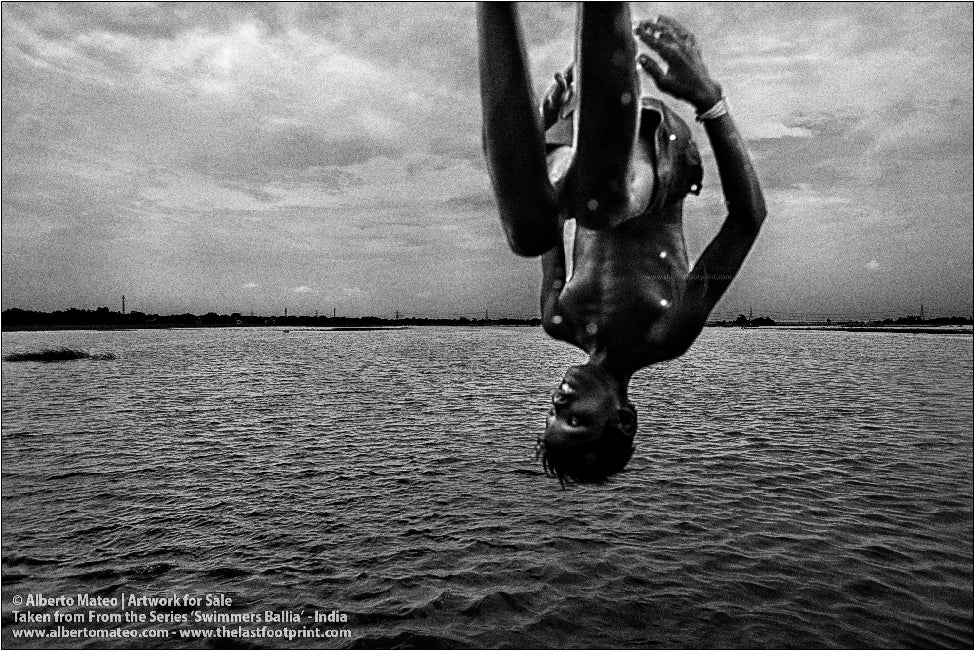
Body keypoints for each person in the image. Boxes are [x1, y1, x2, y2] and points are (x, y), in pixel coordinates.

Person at [477, 3, 766, 484]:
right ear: (623, 417)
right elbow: (746, 219)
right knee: (598, 205)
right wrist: (711, 102)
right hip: (660, 157)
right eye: (577, 420)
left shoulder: (558, 317)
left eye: (550, 417)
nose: (559, 404)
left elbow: (539, 203)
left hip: (584, 134)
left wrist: (542, 121)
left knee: (531, 232)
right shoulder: (667, 331)